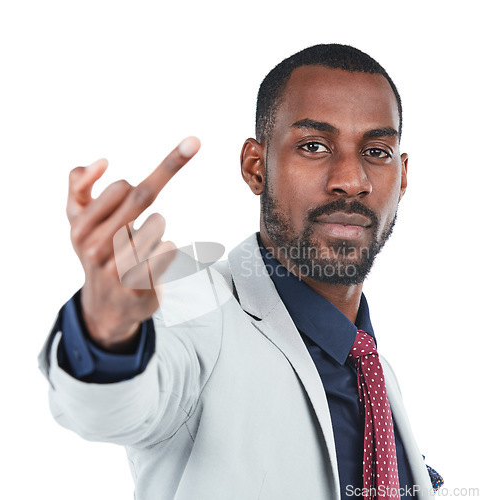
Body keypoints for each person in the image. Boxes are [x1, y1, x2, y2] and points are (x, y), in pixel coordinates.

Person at [39, 44, 442, 499]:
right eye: (314, 146)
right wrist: (107, 331)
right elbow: (107, 411)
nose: (351, 178)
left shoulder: (375, 372)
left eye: (376, 151)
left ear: (402, 177)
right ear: (256, 167)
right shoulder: (194, 306)